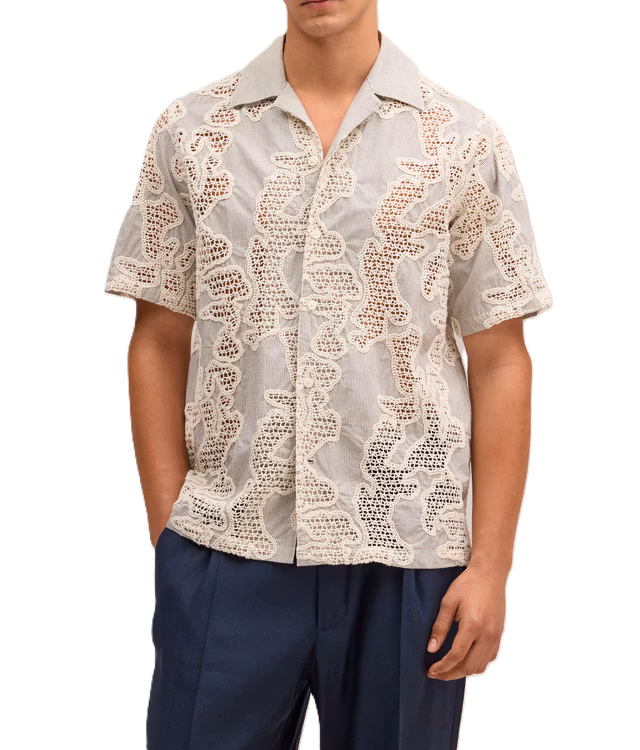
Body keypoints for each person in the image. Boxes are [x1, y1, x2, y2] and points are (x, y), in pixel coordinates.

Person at [103, 1, 551, 748]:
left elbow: (501, 357)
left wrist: (492, 565)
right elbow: (156, 338)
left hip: (407, 556)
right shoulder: (193, 131)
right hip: (229, 547)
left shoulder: (461, 139)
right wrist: (172, 535)